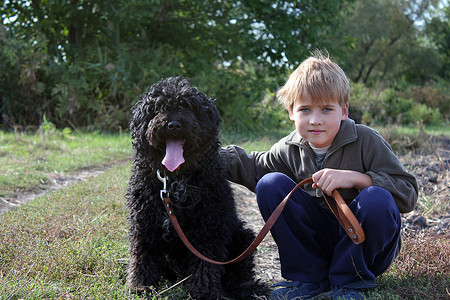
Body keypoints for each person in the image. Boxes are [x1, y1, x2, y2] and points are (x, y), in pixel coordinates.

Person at [220, 51, 418, 300]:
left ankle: (350, 283)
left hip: (364, 248)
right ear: (291, 111)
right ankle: (308, 278)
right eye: (305, 109)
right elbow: (251, 165)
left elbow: (408, 192)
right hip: (319, 246)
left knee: (377, 197)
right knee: (270, 183)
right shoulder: (288, 148)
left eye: (326, 109)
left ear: (343, 110)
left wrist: (356, 178)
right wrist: (203, 152)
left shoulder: (366, 139)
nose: (315, 120)